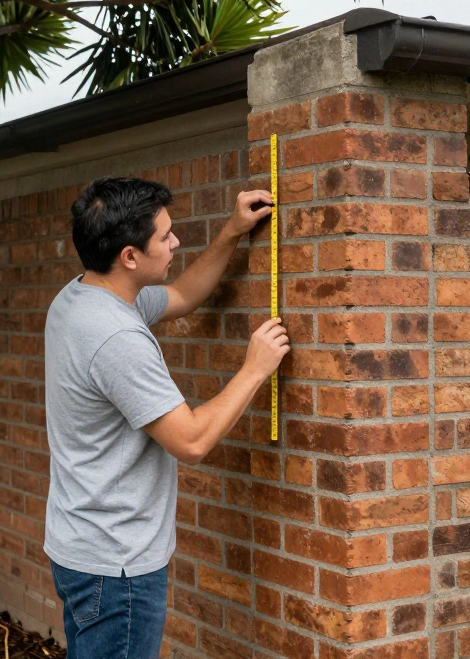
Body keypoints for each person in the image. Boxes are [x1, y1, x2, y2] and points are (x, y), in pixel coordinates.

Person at [43, 176, 289, 658]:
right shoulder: (116, 337)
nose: (176, 241)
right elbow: (192, 441)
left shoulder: (82, 296)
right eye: (165, 236)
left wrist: (231, 232)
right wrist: (254, 369)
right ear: (130, 257)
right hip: (117, 570)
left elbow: (183, 295)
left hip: (83, 551)